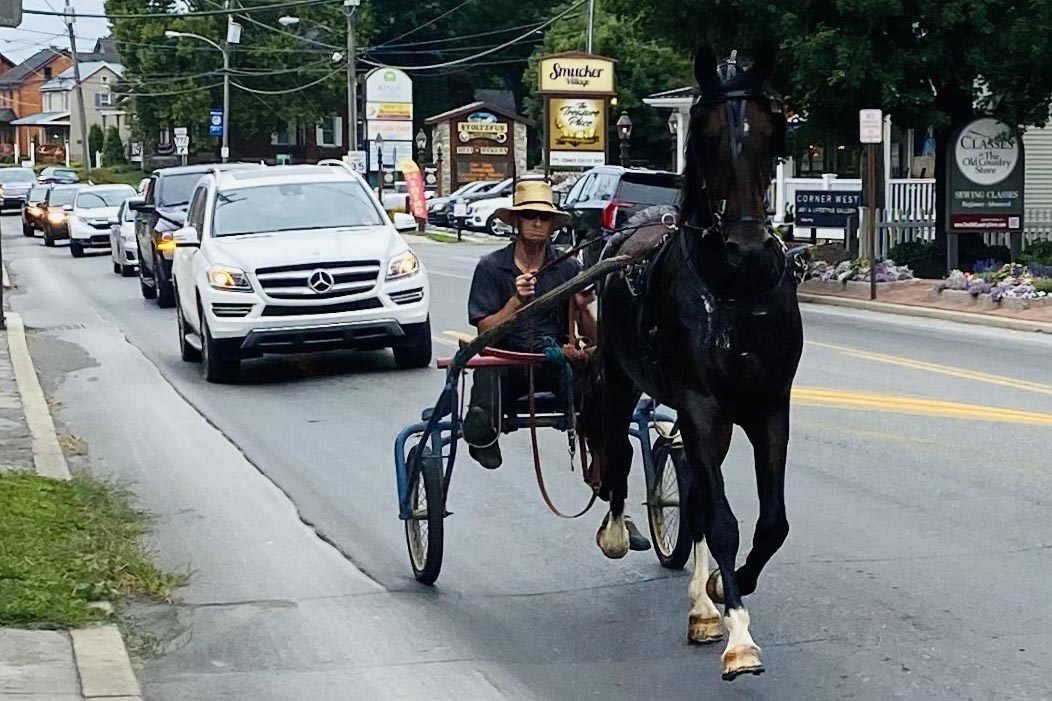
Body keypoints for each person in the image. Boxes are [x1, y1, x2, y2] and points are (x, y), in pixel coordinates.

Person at [462, 180, 650, 551]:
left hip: (555, 361)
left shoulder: (567, 268)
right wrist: (517, 300)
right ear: (516, 222)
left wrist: (581, 310)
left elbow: (594, 339)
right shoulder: (491, 267)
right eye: (529, 216)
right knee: (487, 368)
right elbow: (484, 330)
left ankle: (614, 501)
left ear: (552, 226)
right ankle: (482, 434)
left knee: (602, 392)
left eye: (543, 218)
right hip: (507, 360)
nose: (536, 223)